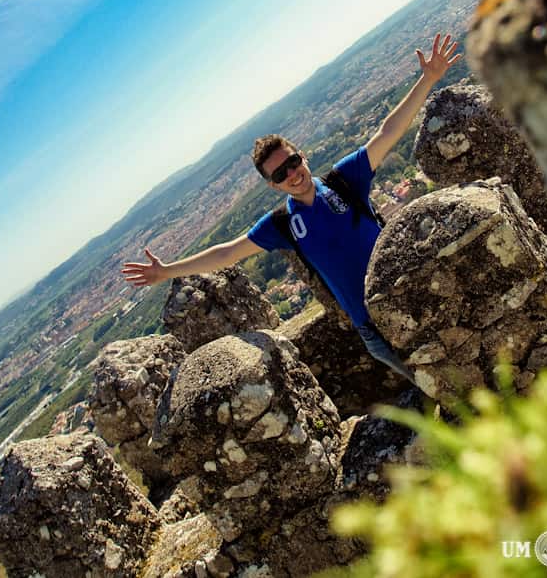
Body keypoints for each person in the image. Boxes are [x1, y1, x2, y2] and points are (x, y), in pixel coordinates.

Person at [121, 33, 461, 382]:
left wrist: (428, 78)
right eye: (281, 173)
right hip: (373, 325)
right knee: (437, 391)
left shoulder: (343, 181)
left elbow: (387, 133)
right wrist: (166, 272)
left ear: (303, 155)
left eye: (293, 161)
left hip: (408, 289)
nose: (292, 174)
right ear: (273, 185)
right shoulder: (282, 225)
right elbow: (226, 254)